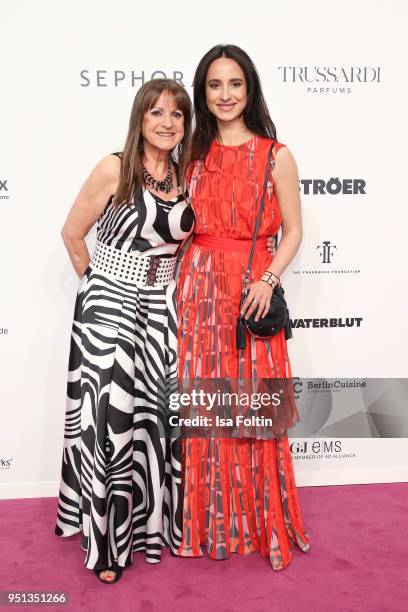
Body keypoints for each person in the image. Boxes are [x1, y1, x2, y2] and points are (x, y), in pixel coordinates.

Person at [175, 45, 310, 569]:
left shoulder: (277, 154)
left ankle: (260, 522)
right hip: (198, 293)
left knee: (254, 406)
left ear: (249, 89)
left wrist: (269, 277)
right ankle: (210, 524)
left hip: (252, 291)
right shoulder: (190, 155)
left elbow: (294, 231)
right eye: (214, 85)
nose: (225, 95)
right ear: (202, 93)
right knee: (207, 408)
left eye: (235, 84)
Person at [55, 79, 195, 583]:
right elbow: (73, 234)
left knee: (155, 422)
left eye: (177, 115)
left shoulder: (185, 176)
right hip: (111, 310)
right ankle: (106, 546)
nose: (166, 122)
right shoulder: (114, 167)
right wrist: (104, 289)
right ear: (140, 117)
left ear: (186, 124)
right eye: (156, 112)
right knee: (110, 428)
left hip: (162, 311)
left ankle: (148, 532)